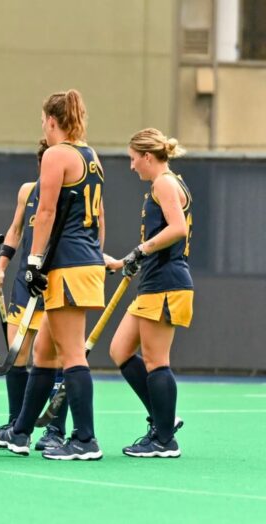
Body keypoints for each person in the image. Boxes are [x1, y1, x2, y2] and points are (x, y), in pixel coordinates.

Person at [0, 89, 105, 460]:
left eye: (43, 120)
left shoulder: (57, 155)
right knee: (43, 352)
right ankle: (21, 432)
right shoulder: (90, 156)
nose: (42, 126)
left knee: (71, 354)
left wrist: (33, 261)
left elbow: (45, 213)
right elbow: (98, 218)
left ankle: (86, 439)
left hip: (68, 264)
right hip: (83, 261)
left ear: (52, 121)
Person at [104, 128, 192, 458]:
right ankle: (164, 417)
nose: (131, 166)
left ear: (147, 156)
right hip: (153, 281)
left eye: (132, 159)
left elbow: (177, 229)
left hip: (167, 283)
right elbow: (159, 237)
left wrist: (140, 250)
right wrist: (124, 261)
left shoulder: (164, 183)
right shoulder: (167, 183)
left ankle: (164, 439)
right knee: (120, 350)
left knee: (156, 361)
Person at [0, 139, 69, 451]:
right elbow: (15, 230)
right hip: (25, 281)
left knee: (56, 358)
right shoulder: (27, 191)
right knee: (16, 353)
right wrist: (1, 268)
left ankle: (56, 430)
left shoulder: (70, 195)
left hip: (54, 281)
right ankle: (16, 425)